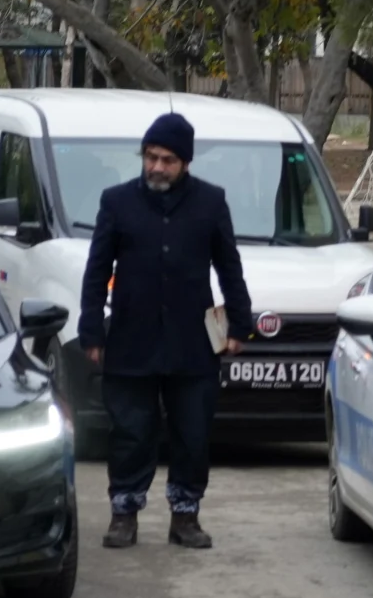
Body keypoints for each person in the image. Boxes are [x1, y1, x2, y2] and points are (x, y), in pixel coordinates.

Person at [78, 111, 254, 550]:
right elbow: (97, 270)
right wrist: (91, 329)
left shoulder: (211, 203)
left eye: (168, 160)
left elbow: (229, 267)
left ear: (186, 163)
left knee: (192, 434)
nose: (157, 167)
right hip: (130, 340)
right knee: (130, 433)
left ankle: (185, 515)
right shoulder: (116, 202)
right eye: (151, 157)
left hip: (192, 344)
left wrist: (239, 324)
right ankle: (124, 513)